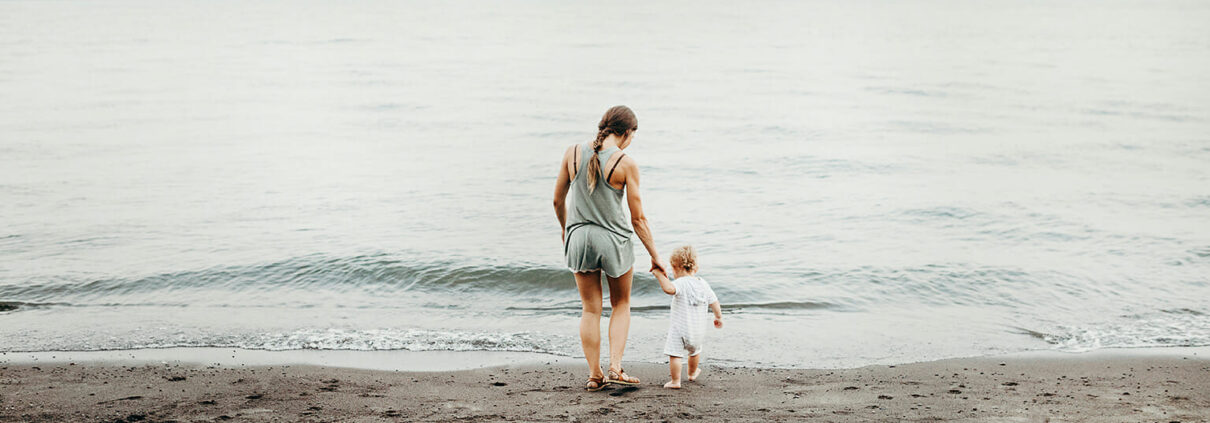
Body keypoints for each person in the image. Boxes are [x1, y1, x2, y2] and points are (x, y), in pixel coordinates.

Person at [553, 105, 666, 392]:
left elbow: (557, 201)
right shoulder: (625, 163)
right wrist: (656, 256)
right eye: (632, 136)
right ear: (626, 133)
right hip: (613, 240)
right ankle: (616, 367)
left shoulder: (572, 152)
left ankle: (595, 375)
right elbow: (638, 218)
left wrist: (568, 230)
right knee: (621, 305)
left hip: (579, 238)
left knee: (590, 310)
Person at [651, 245, 723, 389]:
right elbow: (714, 301)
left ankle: (675, 381)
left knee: (675, 354)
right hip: (698, 330)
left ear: (675, 267)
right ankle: (692, 373)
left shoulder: (680, 283)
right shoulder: (703, 283)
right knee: (695, 352)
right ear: (695, 267)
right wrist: (718, 316)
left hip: (680, 329)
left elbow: (669, 289)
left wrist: (659, 275)